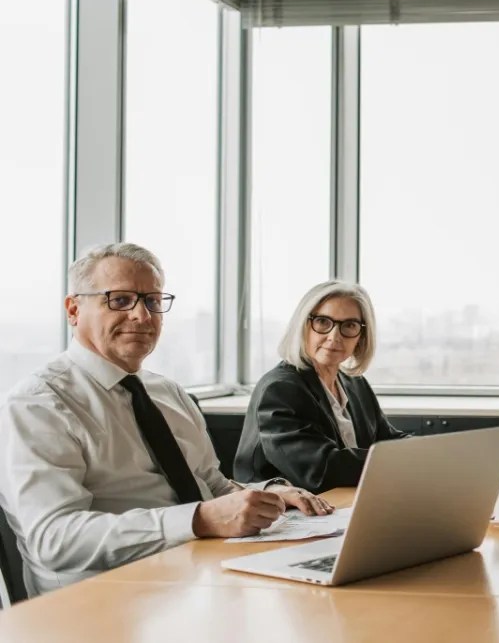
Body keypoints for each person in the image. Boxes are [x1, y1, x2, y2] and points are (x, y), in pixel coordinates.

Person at [0, 243, 330, 597]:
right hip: (103, 602)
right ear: (73, 309)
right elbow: (55, 539)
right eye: (121, 300)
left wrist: (265, 495)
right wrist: (199, 520)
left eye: (153, 301)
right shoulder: (39, 404)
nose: (143, 316)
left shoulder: (167, 393)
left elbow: (210, 484)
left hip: (200, 578)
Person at [234, 281, 409, 493]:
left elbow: (387, 439)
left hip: (345, 501)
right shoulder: (280, 388)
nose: (334, 336)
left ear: (361, 337)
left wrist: (428, 452)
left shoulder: (355, 384)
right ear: (303, 325)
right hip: (287, 513)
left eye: (349, 326)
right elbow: (321, 469)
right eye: (323, 322)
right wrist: (403, 461)